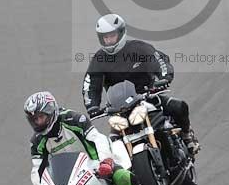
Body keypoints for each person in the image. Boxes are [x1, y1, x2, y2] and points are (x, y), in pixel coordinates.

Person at [24, 90, 159, 185]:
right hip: (67, 178)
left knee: (122, 177)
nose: (38, 122)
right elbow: (37, 169)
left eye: (41, 117)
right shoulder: (37, 141)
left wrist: (105, 161)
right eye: (34, 119)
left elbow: (98, 139)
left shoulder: (73, 119)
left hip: (95, 164)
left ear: (51, 111)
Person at [82, 14, 201, 155]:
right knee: (113, 144)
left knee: (179, 106)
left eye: (111, 36)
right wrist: (92, 106)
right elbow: (90, 84)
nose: (108, 40)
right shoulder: (99, 60)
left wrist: (163, 79)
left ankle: (188, 136)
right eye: (105, 37)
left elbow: (160, 62)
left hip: (148, 97)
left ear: (120, 33)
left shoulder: (139, 49)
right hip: (120, 109)